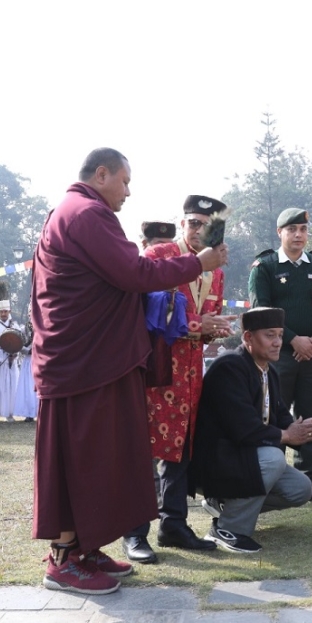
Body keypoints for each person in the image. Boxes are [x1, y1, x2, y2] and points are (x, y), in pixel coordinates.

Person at [31, 148, 228, 595]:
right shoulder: (85, 213)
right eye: (124, 181)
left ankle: (84, 549)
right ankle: (63, 560)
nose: (128, 191)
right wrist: (199, 262)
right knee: (76, 459)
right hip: (81, 365)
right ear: (101, 174)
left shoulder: (75, 211)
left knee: (101, 457)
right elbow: (134, 272)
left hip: (93, 360)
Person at [143, 195, 235, 553]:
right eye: (193, 222)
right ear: (181, 224)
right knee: (145, 449)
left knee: (181, 451)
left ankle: (173, 526)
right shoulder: (159, 258)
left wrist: (214, 328)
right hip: (156, 369)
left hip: (191, 372)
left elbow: (206, 322)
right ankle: (135, 534)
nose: (198, 230)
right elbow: (146, 315)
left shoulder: (218, 270)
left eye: (207, 225)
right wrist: (200, 324)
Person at [194, 307, 312, 553]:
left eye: (279, 335)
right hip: (215, 462)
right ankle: (228, 529)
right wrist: (287, 435)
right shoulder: (230, 367)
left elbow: (280, 417)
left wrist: (304, 431)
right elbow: (243, 429)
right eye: (269, 335)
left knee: (301, 489)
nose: (278, 342)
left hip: (242, 460)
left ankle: (227, 504)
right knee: (274, 457)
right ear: (248, 338)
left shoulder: (268, 370)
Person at [248, 208, 312, 505]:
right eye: (292, 230)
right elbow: (260, 311)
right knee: (273, 417)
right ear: (280, 233)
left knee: (311, 416)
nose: (298, 235)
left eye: (302, 229)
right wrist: (293, 340)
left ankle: (309, 480)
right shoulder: (265, 267)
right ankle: (272, 480)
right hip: (277, 357)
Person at [121, 220, 178, 565]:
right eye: (155, 245)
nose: (160, 251)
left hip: (171, 378)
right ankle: (134, 533)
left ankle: (172, 523)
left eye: (166, 246)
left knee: (171, 452)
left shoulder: (174, 278)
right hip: (136, 374)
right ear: (143, 245)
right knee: (137, 453)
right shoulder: (131, 277)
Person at [0, 298, 23, 422]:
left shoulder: (15, 325)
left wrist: (15, 354)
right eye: (1, 311)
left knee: (12, 386)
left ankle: (10, 413)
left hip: (12, 361)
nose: (3, 314)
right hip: (1, 361)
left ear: (9, 311)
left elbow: (19, 342)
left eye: (5, 311)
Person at [13, 315, 37, 422]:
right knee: (28, 387)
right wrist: (28, 351)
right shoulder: (23, 329)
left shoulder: (42, 326)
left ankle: (39, 412)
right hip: (28, 361)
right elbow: (18, 344)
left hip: (39, 360)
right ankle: (29, 414)